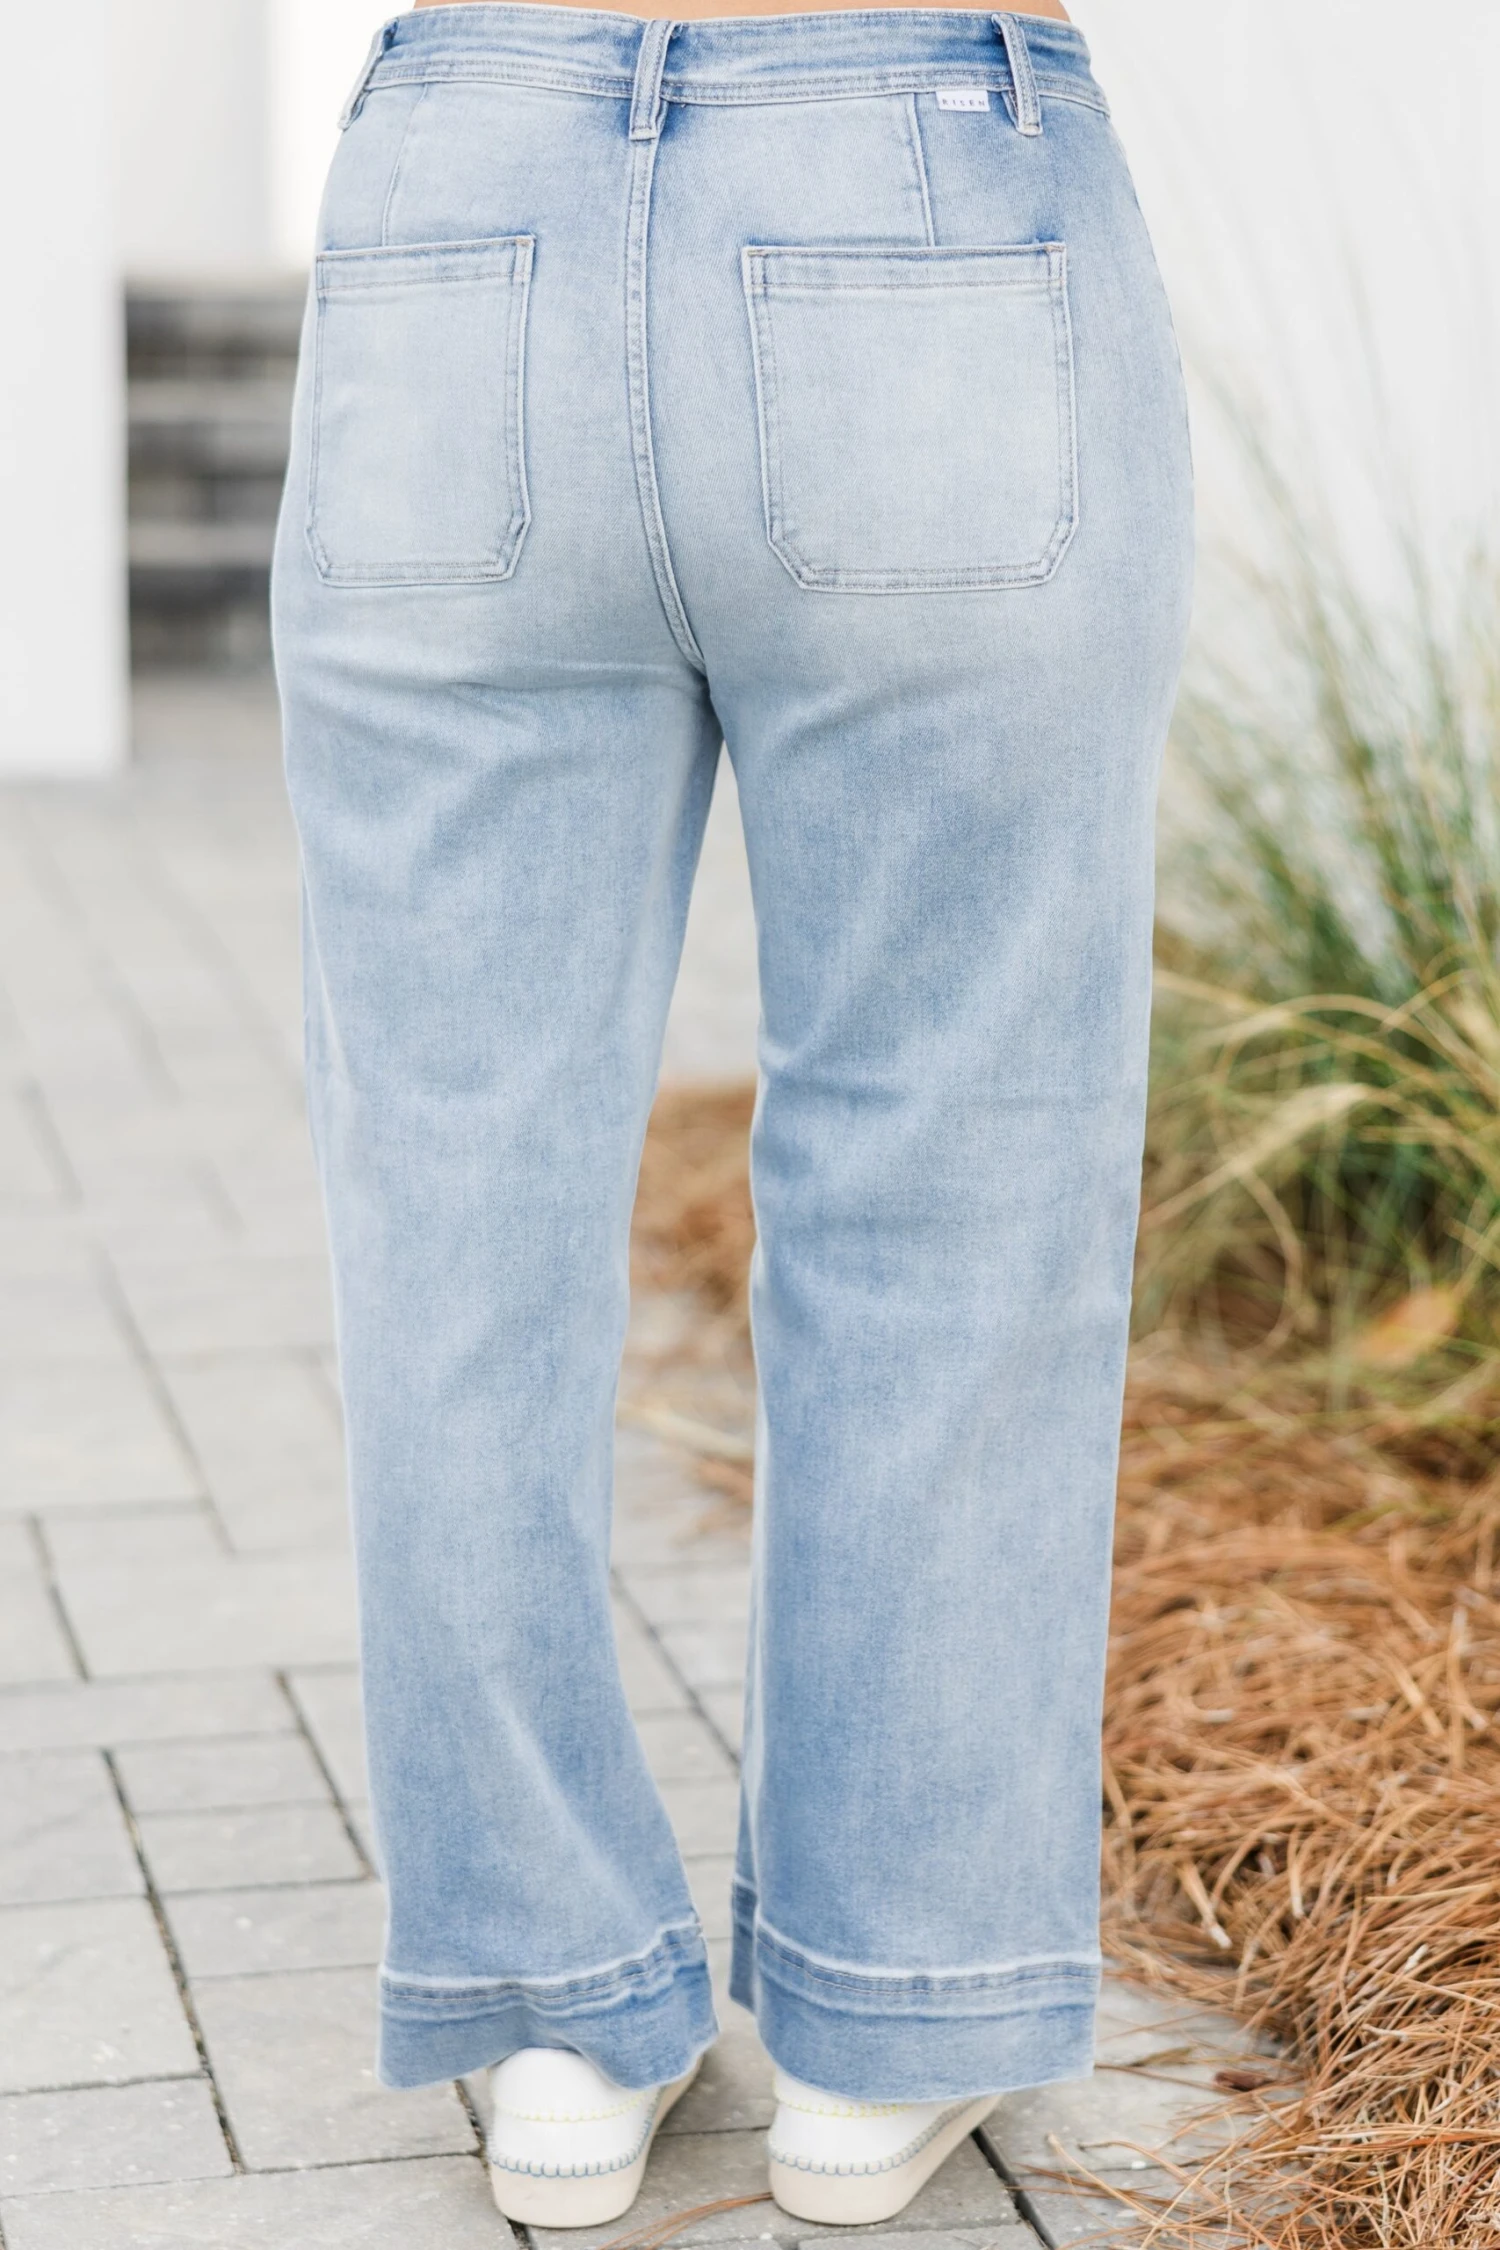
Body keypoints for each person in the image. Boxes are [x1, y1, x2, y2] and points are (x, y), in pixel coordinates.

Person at [271, 0, 1192, 2225]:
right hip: (925, 183)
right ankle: (891, 2019)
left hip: (464, 187)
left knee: (454, 1190)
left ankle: (554, 2005)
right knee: (948, 1162)